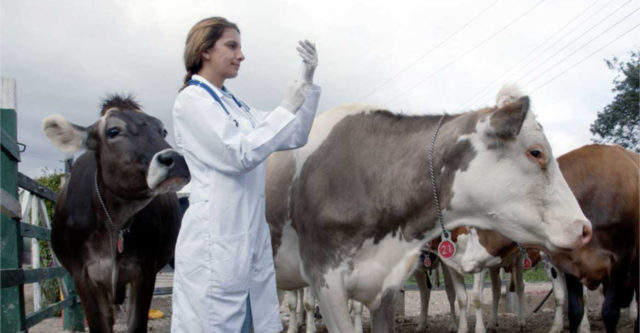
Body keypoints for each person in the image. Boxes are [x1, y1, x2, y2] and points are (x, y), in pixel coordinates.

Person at [170, 16, 320, 332]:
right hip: (216, 242)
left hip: (248, 241)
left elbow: (293, 135)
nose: (241, 55)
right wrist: (284, 106)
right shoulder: (192, 101)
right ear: (205, 50)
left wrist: (305, 82)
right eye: (232, 45)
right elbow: (239, 154)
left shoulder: (236, 105)